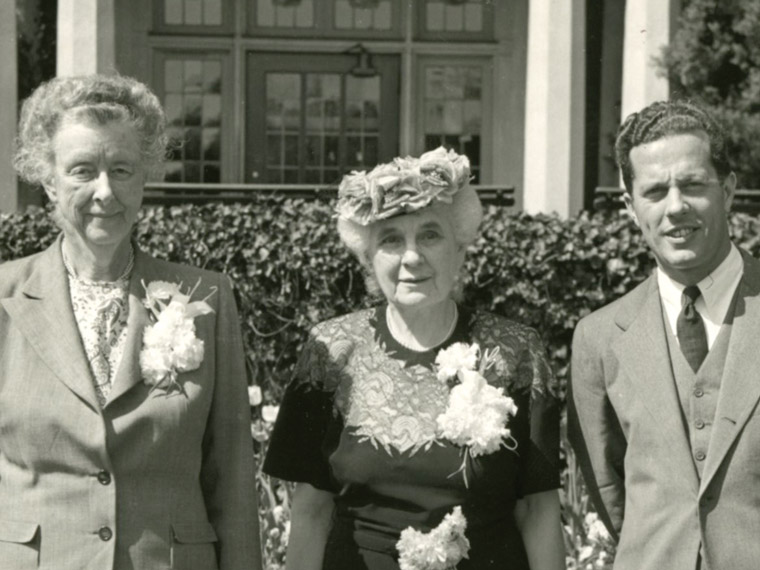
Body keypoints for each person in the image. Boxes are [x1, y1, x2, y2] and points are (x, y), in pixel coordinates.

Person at [0, 74, 261, 570]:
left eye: (121, 169)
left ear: (144, 178)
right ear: (48, 181)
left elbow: (230, 477)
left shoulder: (205, 299)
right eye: (82, 170)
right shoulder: (3, 297)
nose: (105, 191)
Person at [263, 147, 564, 570]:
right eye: (390, 239)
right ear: (368, 257)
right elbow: (311, 511)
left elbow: (538, 511)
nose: (411, 257)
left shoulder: (515, 352)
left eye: (430, 234)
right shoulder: (329, 351)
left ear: (460, 247)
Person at [569, 100, 760, 570]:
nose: (675, 207)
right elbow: (607, 487)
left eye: (693, 185)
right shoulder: (598, 339)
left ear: (729, 191)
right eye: (655, 191)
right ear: (631, 207)